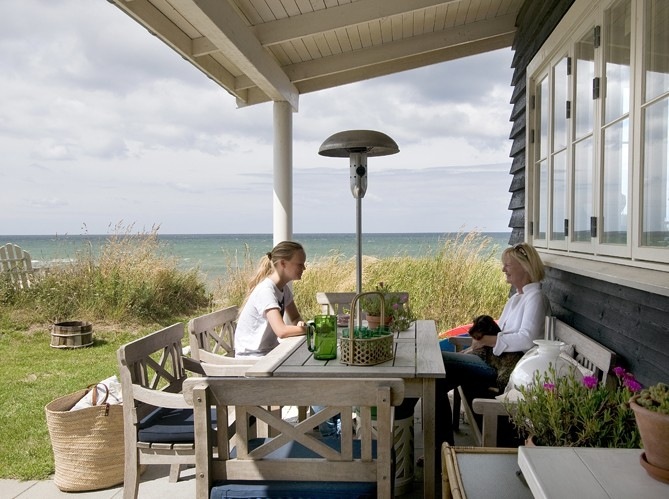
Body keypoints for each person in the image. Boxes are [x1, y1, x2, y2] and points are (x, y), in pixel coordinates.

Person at [437, 242, 549, 445]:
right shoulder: (516, 299)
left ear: (525, 267)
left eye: (508, 264)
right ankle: (442, 448)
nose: (503, 269)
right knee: (437, 382)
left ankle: (441, 448)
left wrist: (485, 340)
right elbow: (500, 333)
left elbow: (527, 339)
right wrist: (482, 342)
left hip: (505, 367)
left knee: (440, 361)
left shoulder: (536, 298)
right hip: (492, 359)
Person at [234, 240, 307, 358]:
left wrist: (300, 324)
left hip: (269, 352)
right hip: (252, 358)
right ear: (283, 263)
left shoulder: (283, 289)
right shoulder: (266, 291)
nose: (304, 268)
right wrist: (311, 330)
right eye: (300, 264)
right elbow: (281, 331)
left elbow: (295, 318)